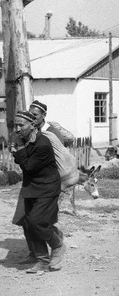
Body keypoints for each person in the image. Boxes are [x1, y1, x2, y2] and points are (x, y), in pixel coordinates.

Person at [9, 111, 66, 273]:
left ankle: (58, 245)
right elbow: (22, 160)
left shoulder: (42, 143)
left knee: (36, 222)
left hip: (47, 187)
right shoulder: (26, 140)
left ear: (33, 125)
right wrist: (19, 150)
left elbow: (28, 166)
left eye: (22, 125)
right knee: (28, 224)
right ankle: (41, 260)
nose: (18, 129)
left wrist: (18, 148)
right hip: (32, 186)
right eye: (16, 125)